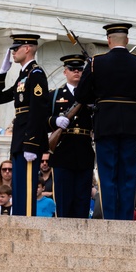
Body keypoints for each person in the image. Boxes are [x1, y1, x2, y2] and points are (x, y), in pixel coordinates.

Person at [75, 22, 136, 221]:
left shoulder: (96, 62)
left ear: (109, 40)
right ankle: (125, 219)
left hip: (106, 124)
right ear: (127, 40)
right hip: (131, 126)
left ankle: (111, 219)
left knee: (108, 175)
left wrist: (100, 100)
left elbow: (81, 94)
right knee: (128, 176)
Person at [0, 33, 50, 216]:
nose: (13, 52)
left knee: (27, 189)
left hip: (28, 141)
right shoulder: (23, 75)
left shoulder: (36, 74)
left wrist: (31, 143)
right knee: (19, 188)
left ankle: (27, 221)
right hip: (19, 139)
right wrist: (2, 73)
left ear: (27, 48)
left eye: (16, 49)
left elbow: (39, 110)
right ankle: (20, 219)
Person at [47, 54, 95, 219]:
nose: (76, 72)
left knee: (82, 200)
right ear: (64, 72)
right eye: (72, 69)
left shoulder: (91, 95)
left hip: (84, 151)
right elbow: (42, 120)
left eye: (80, 69)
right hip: (63, 151)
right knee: (63, 200)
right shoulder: (55, 95)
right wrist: (55, 121)